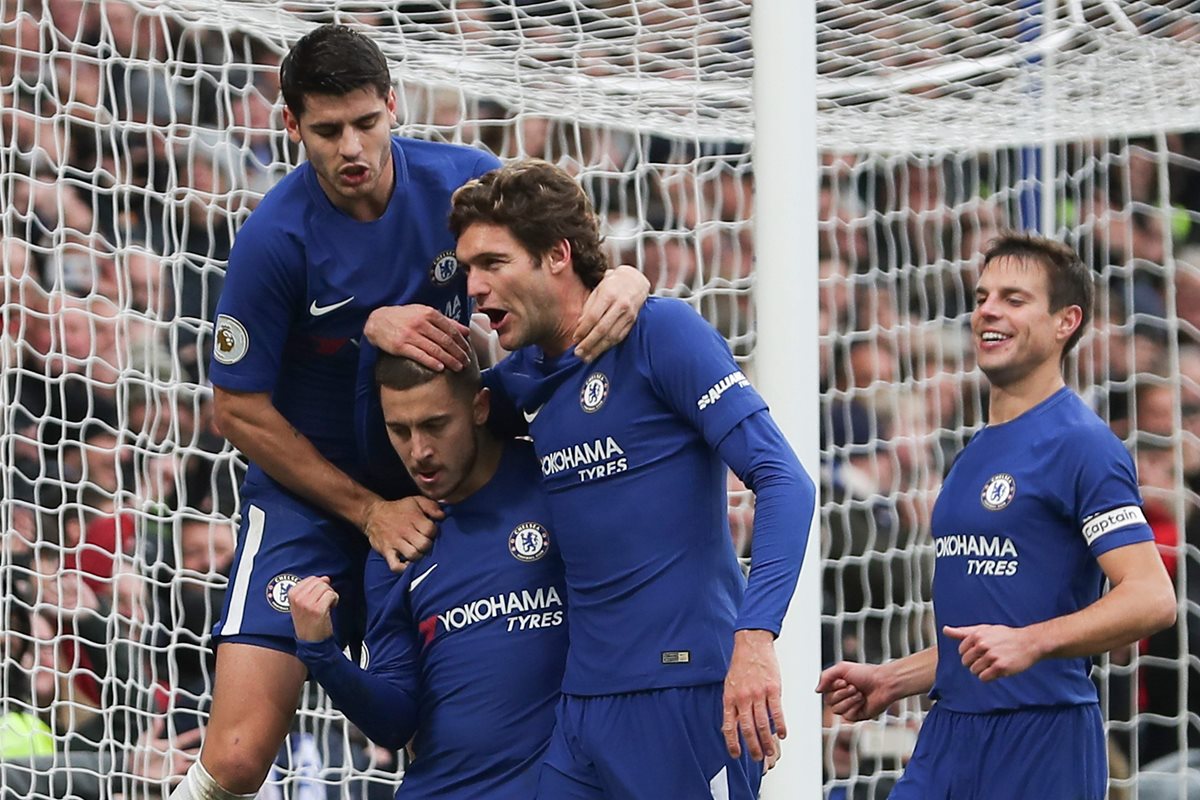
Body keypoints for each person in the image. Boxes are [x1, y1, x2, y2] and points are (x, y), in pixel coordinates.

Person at [182, 25, 646, 800]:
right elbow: (236, 413)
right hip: (319, 501)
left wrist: (625, 279)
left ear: (393, 105)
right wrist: (368, 511)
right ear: (292, 126)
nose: (352, 146)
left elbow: (565, 267)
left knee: (475, 715)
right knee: (235, 757)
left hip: (456, 483)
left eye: (367, 121)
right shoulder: (273, 240)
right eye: (328, 131)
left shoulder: (461, 184)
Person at [445, 159, 816, 798]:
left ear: (556, 255)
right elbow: (419, 428)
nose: (473, 287)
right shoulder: (522, 379)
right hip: (583, 704)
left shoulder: (662, 335)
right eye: (467, 267)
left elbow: (785, 480)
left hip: (684, 692)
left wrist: (755, 640)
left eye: (493, 263)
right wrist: (375, 332)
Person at [817, 232, 1178, 799]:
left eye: (1014, 298)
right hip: (950, 734)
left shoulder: (1083, 445)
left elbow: (1152, 597)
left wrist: (1032, 642)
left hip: (1041, 739)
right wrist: (891, 679)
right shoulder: (972, 455)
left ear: (1066, 322)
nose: (988, 309)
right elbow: (986, 639)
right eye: (983, 296)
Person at [289, 350, 567, 798]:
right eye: (399, 431)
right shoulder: (400, 543)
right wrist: (321, 654)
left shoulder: (553, 478)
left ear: (479, 408)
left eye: (435, 425)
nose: (419, 452)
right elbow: (394, 723)